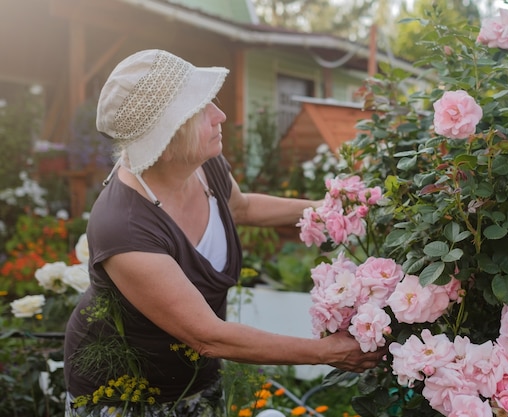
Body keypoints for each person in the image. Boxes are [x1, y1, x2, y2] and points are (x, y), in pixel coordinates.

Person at [63, 49, 384, 417]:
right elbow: (207, 336)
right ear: (166, 143)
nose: (220, 115)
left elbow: (242, 206)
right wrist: (327, 353)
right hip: (123, 396)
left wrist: (331, 207)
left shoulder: (203, 164)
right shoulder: (124, 227)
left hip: (195, 380)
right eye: (200, 110)